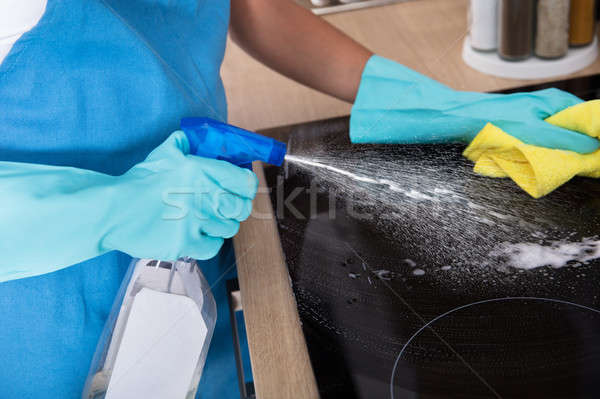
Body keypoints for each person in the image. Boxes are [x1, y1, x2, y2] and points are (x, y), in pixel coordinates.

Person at [0, 0, 597, 398]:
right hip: (40, 298)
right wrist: (105, 208)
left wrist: (429, 103)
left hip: (196, 221)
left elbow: (252, 6)